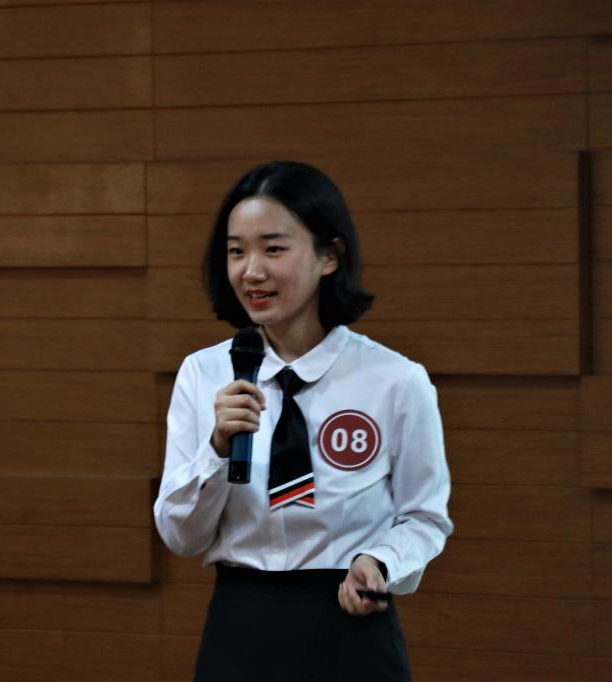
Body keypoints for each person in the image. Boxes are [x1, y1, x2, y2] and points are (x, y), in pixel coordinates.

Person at [153, 160, 452, 682]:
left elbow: (425, 517)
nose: (251, 272)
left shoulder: (395, 379)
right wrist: (217, 448)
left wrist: (380, 562)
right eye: (236, 251)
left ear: (330, 256)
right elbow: (182, 536)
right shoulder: (204, 374)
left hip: (349, 625)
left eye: (273, 249)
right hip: (240, 624)